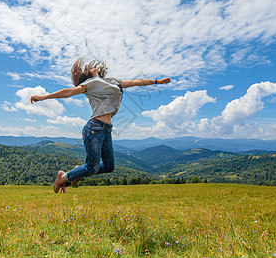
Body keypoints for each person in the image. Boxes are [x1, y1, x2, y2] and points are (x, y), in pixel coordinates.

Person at [30, 58, 171, 193]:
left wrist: (157, 81)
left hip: (106, 130)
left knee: (109, 166)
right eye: (91, 68)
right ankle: (64, 177)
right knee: (92, 168)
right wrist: (43, 97)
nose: (94, 67)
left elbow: (135, 82)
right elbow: (68, 92)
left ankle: (78, 171)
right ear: (87, 73)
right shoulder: (90, 83)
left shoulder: (113, 81)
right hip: (94, 129)